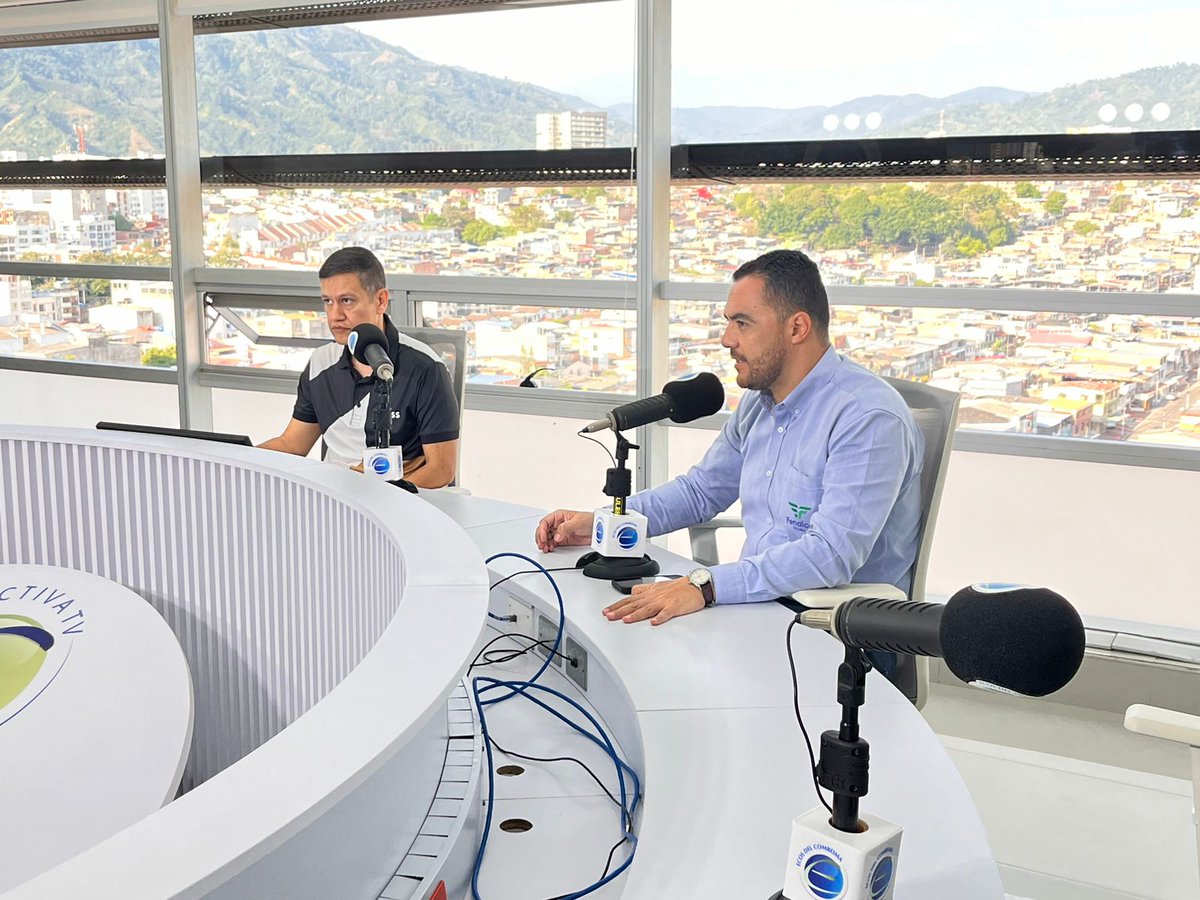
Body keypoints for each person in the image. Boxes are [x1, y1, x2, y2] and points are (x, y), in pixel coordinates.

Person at [535, 249, 923, 625]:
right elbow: (701, 491)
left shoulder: (868, 418)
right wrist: (607, 523)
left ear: (797, 328)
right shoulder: (760, 402)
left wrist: (705, 586)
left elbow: (831, 555)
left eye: (743, 323)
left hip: (837, 633)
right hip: (759, 606)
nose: (726, 339)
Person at [258, 247, 460, 488]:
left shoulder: (425, 368)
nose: (335, 315)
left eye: (347, 301)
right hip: (334, 498)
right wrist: (234, 456)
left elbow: (441, 470)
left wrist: (381, 497)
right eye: (327, 301)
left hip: (397, 500)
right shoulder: (320, 362)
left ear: (380, 300)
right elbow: (292, 444)